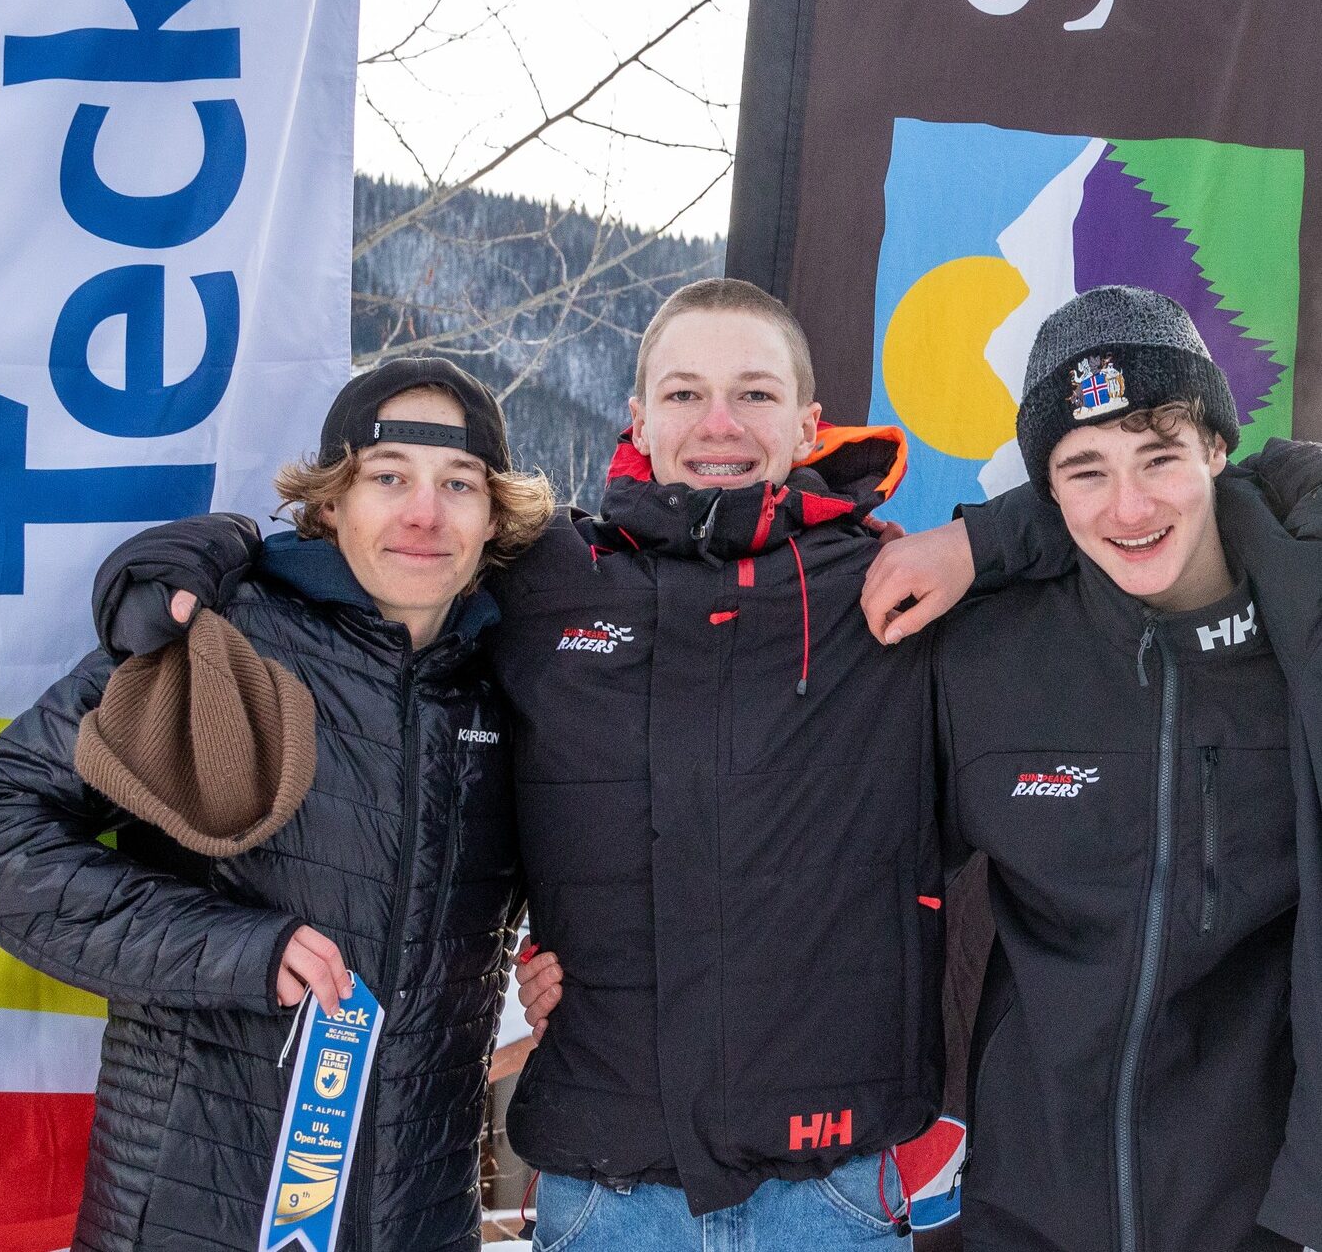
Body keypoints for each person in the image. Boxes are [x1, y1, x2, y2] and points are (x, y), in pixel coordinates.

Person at [86, 278, 946, 1249]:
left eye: (751, 393)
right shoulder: (546, 577)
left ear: (805, 424)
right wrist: (217, 549)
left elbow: (1088, 576)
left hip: (825, 1193)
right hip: (602, 1192)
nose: (717, 422)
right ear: (637, 416)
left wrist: (986, 543)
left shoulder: (893, 590)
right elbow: (381, 551)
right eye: (681, 393)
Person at [0, 357, 554, 1252]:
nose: (424, 513)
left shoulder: (516, 680)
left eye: (457, 484)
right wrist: (235, 953)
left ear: (493, 514)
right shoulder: (224, 640)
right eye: (388, 479)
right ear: (333, 501)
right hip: (188, 1216)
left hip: (419, 1222)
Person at [853, 286, 1311, 1250]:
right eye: (1085, 469)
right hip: (1027, 1209)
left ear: (1215, 449)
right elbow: (842, 872)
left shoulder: (1300, 639)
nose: (1129, 505)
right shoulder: (987, 657)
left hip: (1260, 1214)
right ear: (1047, 494)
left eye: (1159, 456)